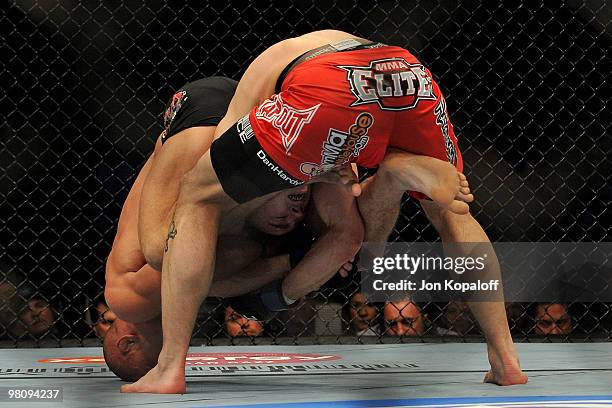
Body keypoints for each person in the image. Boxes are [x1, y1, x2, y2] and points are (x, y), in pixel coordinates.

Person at [123, 29, 515, 394]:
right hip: (408, 74)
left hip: (324, 86)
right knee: (453, 212)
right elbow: (353, 234)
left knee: (199, 194)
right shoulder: (313, 52)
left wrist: (301, 172)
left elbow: (226, 148)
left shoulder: (260, 80)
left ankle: (170, 367)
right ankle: (505, 358)